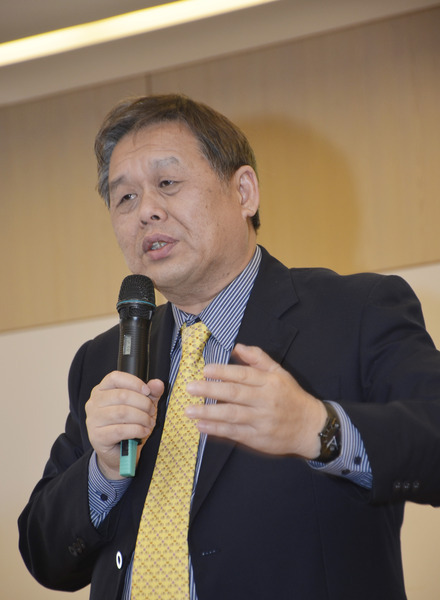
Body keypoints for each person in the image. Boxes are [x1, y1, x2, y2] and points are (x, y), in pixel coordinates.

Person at [18, 94, 440, 600]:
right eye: (124, 197)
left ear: (243, 192)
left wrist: (318, 428)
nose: (146, 211)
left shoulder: (357, 311)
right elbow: (45, 556)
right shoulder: (104, 358)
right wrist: (103, 473)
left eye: (167, 183)